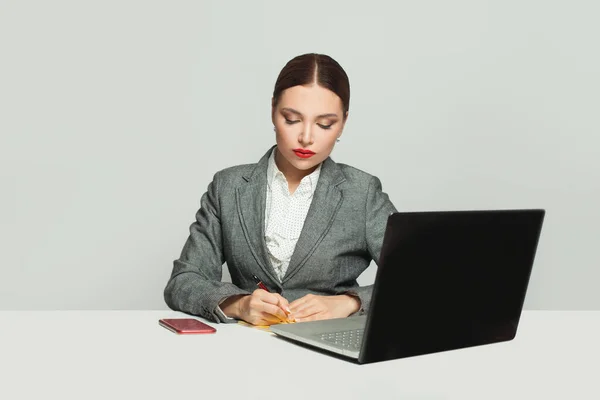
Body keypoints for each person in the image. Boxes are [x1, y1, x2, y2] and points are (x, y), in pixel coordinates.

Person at [164, 53, 397, 326]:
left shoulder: (362, 193)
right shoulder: (228, 187)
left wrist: (349, 302)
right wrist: (238, 304)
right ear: (273, 110)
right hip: (245, 350)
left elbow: (421, 278)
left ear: (343, 123)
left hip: (330, 350)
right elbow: (183, 281)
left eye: (325, 124)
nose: (306, 137)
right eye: (292, 119)